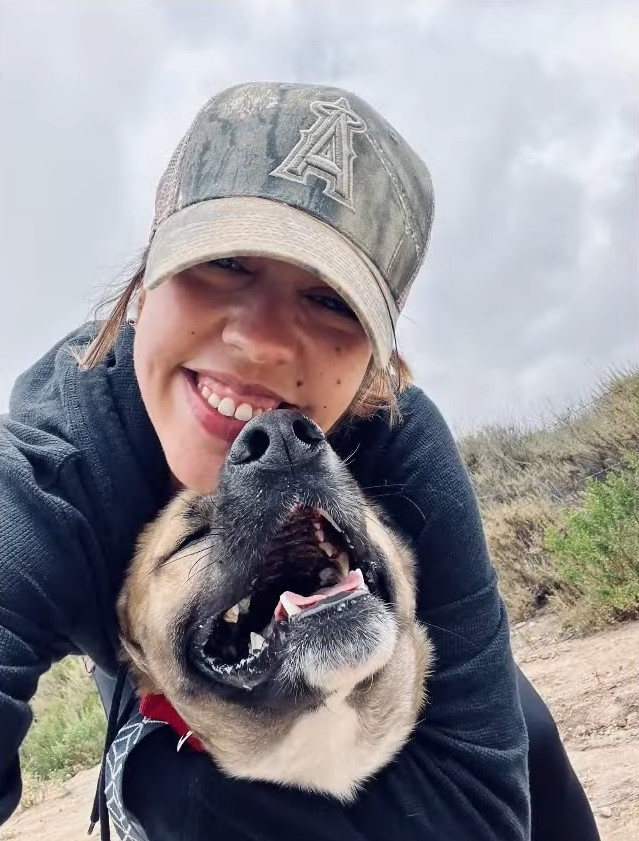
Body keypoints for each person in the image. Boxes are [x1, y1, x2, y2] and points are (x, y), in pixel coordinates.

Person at [0, 82, 599, 841]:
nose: (263, 343)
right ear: (144, 284)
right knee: (172, 783)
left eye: (331, 302)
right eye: (223, 262)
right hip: (186, 686)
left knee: (525, 731)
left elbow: (479, 806)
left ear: (377, 365)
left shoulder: (396, 435)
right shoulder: (55, 469)